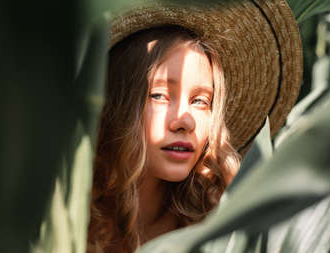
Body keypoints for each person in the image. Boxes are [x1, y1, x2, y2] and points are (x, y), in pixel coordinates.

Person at [87, 0, 303, 252]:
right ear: (115, 102)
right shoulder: (63, 216)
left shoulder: (221, 227)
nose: (185, 121)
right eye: (159, 95)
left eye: (200, 101)